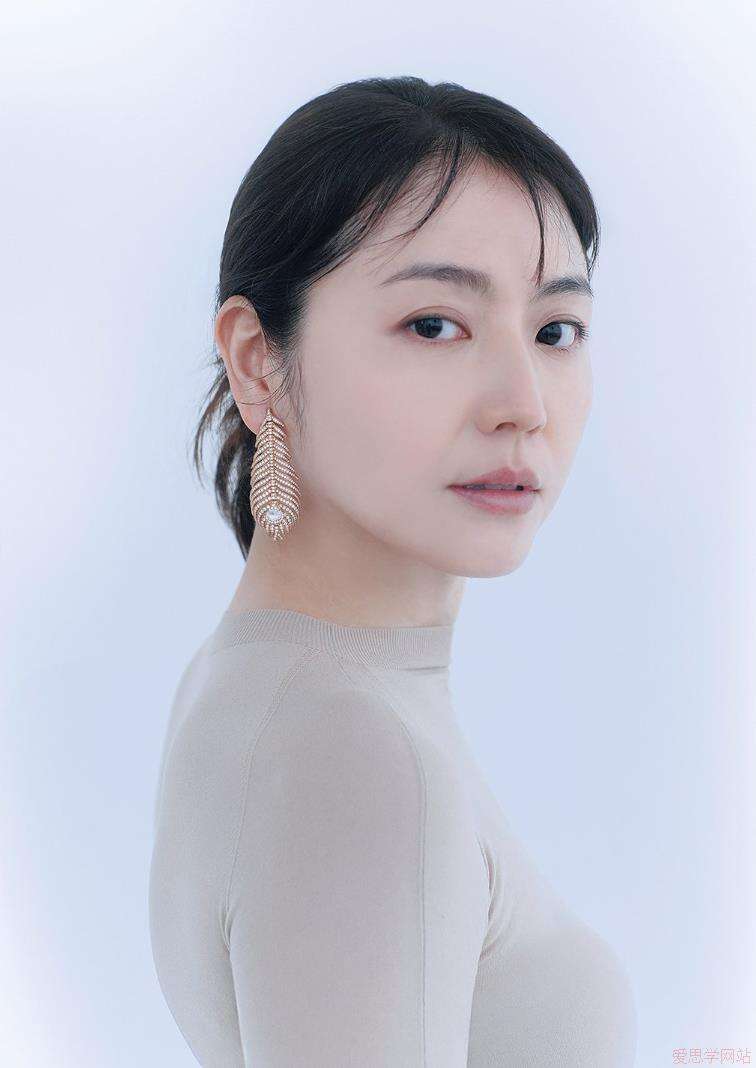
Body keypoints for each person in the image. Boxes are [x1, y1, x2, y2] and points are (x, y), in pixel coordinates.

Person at [149, 74, 637, 1066]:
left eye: (555, 332)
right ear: (257, 360)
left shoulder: (276, 684)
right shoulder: (353, 748)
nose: (523, 402)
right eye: (434, 325)